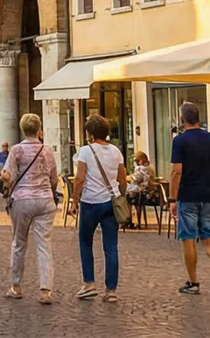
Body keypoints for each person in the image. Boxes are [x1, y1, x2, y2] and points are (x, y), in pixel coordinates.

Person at [168, 101, 210, 298]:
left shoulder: (180, 141)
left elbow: (176, 171)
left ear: (182, 119)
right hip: (209, 195)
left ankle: (193, 282)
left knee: (188, 238)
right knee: (209, 237)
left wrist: (172, 199)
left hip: (188, 195)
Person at [4, 112, 60, 303]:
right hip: (45, 199)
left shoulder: (16, 150)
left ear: (23, 130)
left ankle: (16, 286)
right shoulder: (47, 151)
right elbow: (53, 178)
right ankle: (45, 290)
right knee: (44, 245)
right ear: (39, 130)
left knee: (19, 243)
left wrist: (4, 180)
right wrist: (49, 191)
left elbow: (9, 176)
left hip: (22, 199)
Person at [69, 114, 124, 302]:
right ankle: (111, 290)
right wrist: (121, 197)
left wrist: (74, 200)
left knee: (85, 242)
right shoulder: (116, 151)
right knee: (111, 246)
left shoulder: (86, 151)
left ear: (90, 133)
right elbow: (122, 179)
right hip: (111, 202)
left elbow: (79, 178)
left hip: (90, 202)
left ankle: (89, 284)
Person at [125, 152, 154, 218]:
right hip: (145, 189)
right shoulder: (149, 168)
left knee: (123, 191)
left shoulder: (141, 168)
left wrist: (126, 177)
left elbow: (136, 178)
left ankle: (128, 215)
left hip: (139, 189)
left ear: (140, 161)